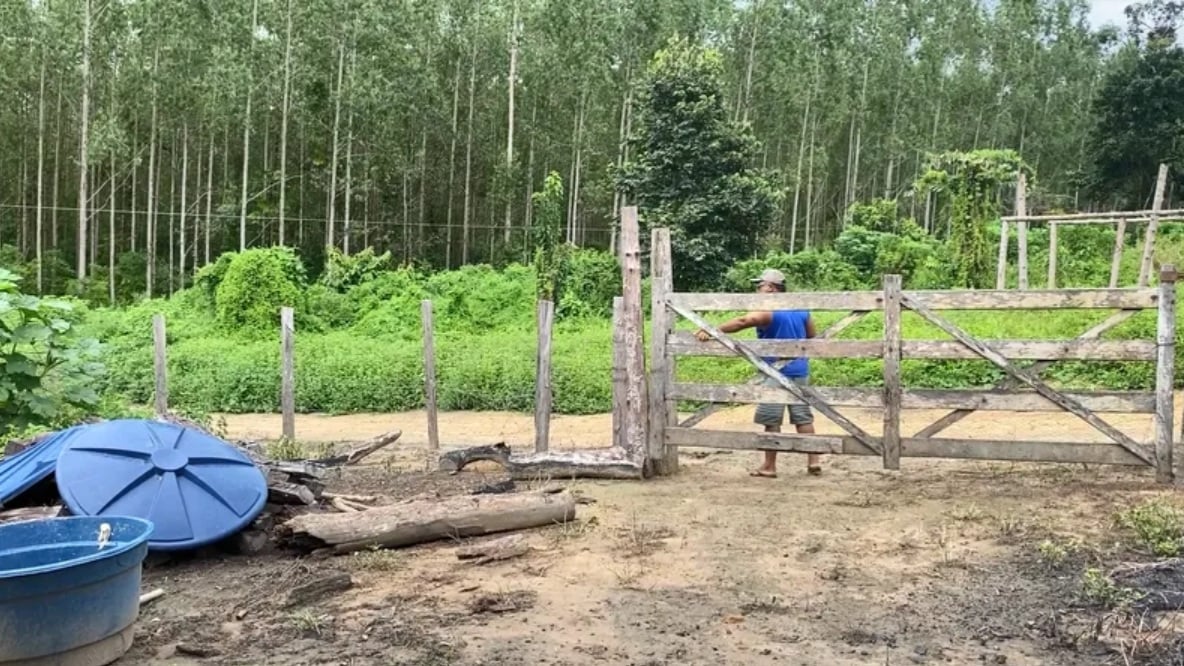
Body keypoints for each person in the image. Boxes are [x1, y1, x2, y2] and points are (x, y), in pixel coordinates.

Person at [693, 268, 820, 478]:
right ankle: (813, 461)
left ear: (770, 288)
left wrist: (712, 330)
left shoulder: (768, 310)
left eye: (759, 285)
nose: (757, 289)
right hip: (800, 369)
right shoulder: (800, 307)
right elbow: (812, 334)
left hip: (774, 371)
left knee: (771, 420)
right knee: (803, 418)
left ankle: (769, 466)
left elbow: (743, 321)